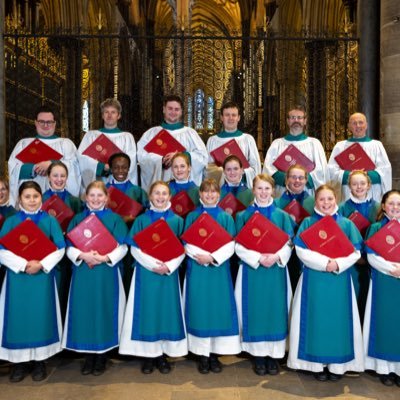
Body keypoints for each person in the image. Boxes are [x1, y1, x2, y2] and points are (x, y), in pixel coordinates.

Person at [287, 184, 364, 381]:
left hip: (339, 281)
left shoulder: (346, 224)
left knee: (337, 321)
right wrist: (324, 264)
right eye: (322, 199)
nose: (326, 203)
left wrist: (337, 264)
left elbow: (356, 252)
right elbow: (301, 251)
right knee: (314, 319)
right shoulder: (307, 222)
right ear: (316, 201)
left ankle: (337, 366)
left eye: (330, 199)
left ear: (335, 200)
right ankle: (316, 365)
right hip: (314, 279)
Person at [0, 181, 65, 382]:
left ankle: (39, 362)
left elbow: (60, 248)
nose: (31, 200)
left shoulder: (50, 220)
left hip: (42, 277)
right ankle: (19, 363)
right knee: (18, 318)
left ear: (41, 198)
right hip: (17, 279)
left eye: (35, 196)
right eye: (27, 197)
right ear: (20, 199)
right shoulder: (11, 221)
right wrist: (22, 264)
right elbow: (2, 250)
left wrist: (41, 264)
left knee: (41, 317)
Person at [119, 181, 187, 374]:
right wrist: (152, 265)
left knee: (165, 313)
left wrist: (169, 266)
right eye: (156, 193)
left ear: (170, 197)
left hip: (168, 273)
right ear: (150, 196)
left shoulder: (177, 221)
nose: (160, 197)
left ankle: (163, 355)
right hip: (146, 273)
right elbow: (134, 247)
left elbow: (183, 248)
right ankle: (148, 355)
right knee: (147, 311)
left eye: (164, 193)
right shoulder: (142, 220)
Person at [62, 181, 128, 376]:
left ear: (106, 198)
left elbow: (123, 246)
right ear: (86, 197)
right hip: (83, 272)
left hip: (106, 272)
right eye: (92, 195)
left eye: (100, 196)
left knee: (104, 309)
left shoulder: (115, 219)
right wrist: (83, 256)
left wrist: (105, 258)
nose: (96, 199)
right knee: (85, 310)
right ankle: (88, 355)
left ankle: (102, 356)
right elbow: (68, 245)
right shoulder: (77, 219)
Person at [235, 174, 294, 376]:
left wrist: (276, 256)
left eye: (267, 189)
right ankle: (258, 356)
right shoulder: (243, 215)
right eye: (259, 188)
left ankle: (274, 356)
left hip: (276, 270)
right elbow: (238, 244)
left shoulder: (282, 216)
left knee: (275, 309)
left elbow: (289, 244)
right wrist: (258, 258)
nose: (263, 192)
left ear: (273, 190)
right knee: (256, 308)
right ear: (253, 190)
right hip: (253, 269)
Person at [183, 179, 240, 374]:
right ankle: (202, 354)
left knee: (217, 308)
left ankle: (215, 354)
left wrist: (213, 257)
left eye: (213, 192)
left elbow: (231, 244)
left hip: (218, 269)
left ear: (219, 195)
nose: (209, 195)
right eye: (206, 192)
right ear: (200, 194)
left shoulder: (225, 218)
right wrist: (200, 257)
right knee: (200, 308)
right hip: (197, 268)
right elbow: (186, 243)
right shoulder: (191, 216)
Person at [364, 190, 400, 387]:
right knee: (384, 322)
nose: (395, 208)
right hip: (383, 280)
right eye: (391, 203)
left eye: (399, 204)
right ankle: (385, 369)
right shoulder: (376, 228)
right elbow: (371, 256)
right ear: (384, 206)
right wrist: (391, 269)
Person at [8, 106, 81, 202]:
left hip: (58, 199)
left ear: (54, 124)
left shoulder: (66, 143)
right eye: (41, 121)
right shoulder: (24, 143)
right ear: (35, 123)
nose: (45, 125)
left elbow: (75, 167)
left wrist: (52, 164)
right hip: (31, 198)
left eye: (49, 122)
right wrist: (34, 168)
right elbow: (13, 169)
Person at [137, 95, 208, 192]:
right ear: (164, 109)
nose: (173, 112)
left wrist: (182, 156)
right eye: (170, 108)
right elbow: (141, 157)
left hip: (186, 190)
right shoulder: (151, 133)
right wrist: (161, 160)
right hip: (161, 192)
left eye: (176, 109)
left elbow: (203, 157)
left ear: (181, 111)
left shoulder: (191, 133)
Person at [42, 161, 84, 319]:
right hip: (47, 252)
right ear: (48, 177)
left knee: (67, 288)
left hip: (70, 252)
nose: (59, 179)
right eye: (55, 176)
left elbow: (82, 225)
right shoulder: (40, 200)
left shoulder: (75, 201)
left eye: (62, 176)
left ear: (67, 177)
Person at [338, 170, 380, 320]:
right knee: (354, 295)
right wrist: (356, 257)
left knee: (371, 297)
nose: (359, 187)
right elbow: (339, 236)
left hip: (374, 260)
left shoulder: (378, 207)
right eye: (354, 184)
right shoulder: (341, 208)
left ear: (369, 185)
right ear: (349, 186)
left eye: (362, 183)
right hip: (351, 259)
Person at [262, 105, 328, 196]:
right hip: (283, 192)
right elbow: (268, 169)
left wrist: (301, 179)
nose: (296, 120)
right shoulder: (277, 144)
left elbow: (321, 170)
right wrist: (286, 179)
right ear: (288, 121)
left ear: (305, 121)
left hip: (306, 192)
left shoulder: (314, 143)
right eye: (293, 118)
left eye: (299, 118)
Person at [328, 112, 392, 202]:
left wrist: (365, 175)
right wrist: (350, 176)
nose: (358, 126)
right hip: (348, 194)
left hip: (371, 194)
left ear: (366, 125)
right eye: (354, 123)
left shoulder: (376, 145)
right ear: (349, 126)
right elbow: (331, 171)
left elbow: (385, 171)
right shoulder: (340, 146)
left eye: (361, 122)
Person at [78, 98, 138, 189]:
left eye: (113, 112)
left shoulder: (127, 137)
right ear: (102, 115)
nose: (109, 115)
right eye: (106, 112)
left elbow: (131, 160)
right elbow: (82, 157)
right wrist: (101, 167)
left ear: (119, 116)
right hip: (97, 183)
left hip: (119, 184)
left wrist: (115, 168)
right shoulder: (91, 136)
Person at [274, 164, 315, 289]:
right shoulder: (276, 203)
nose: (297, 181)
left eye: (301, 178)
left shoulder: (315, 202)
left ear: (306, 180)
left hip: (308, 252)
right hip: (284, 252)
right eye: (293, 177)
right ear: (286, 180)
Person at [206, 101, 261, 188]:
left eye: (234, 115)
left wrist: (240, 172)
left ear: (238, 118)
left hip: (244, 188)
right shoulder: (212, 140)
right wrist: (222, 171)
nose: (230, 118)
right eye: (227, 115)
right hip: (220, 189)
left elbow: (256, 168)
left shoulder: (247, 139)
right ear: (222, 118)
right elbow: (208, 168)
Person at [105, 152, 148, 224]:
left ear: (128, 169)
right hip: (109, 228)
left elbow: (151, 208)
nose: (120, 171)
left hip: (132, 227)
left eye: (124, 167)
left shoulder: (137, 190)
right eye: (116, 167)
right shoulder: (104, 190)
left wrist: (138, 219)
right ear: (111, 169)